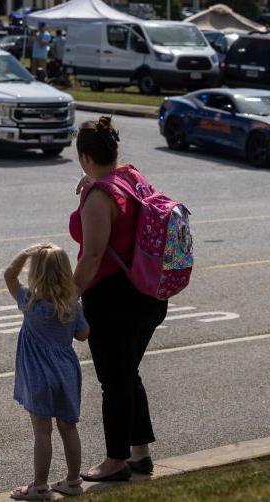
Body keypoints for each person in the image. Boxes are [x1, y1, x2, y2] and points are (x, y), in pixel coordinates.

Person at [69, 116, 169, 482]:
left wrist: (68, 298)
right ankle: (140, 455)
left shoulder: (99, 197)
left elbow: (92, 256)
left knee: (114, 381)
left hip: (114, 301)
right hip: (149, 295)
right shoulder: (132, 177)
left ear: (84, 157)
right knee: (128, 374)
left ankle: (115, 460)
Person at [4, 243, 91, 501]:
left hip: (38, 375)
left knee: (42, 432)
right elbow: (84, 335)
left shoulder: (30, 302)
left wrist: (26, 252)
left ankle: (40, 486)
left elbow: (9, 275)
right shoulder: (71, 305)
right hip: (65, 372)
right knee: (68, 427)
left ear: (36, 274)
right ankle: (74, 481)